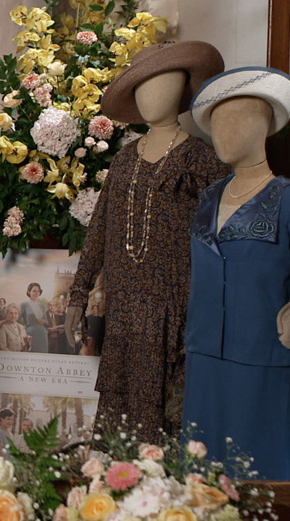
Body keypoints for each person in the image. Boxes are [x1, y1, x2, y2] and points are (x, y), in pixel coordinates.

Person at [66, 41, 228, 441]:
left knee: (170, 423)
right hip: (124, 313)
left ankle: (164, 497)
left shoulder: (202, 159)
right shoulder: (123, 159)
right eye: (143, 85)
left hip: (174, 313)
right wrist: (78, 294)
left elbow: (226, 240)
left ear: (183, 90)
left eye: (165, 83)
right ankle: (118, 492)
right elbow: (99, 231)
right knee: (119, 425)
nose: (153, 94)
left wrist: (212, 312)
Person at [182, 68, 290, 479]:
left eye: (234, 120)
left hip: (262, 356)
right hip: (204, 354)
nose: (222, 133)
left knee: (258, 469)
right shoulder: (208, 198)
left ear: (262, 127)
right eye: (215, 124)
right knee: (199, 470)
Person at [20, 282, 49, 353]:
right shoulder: (24, 305)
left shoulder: (41, 306)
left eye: (38, 291)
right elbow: (17, 320)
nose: (36, 293)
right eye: (34, 291)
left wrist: (44, 321)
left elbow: (47, 322)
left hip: (42, 333)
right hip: (31, 334)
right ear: (29, 292)